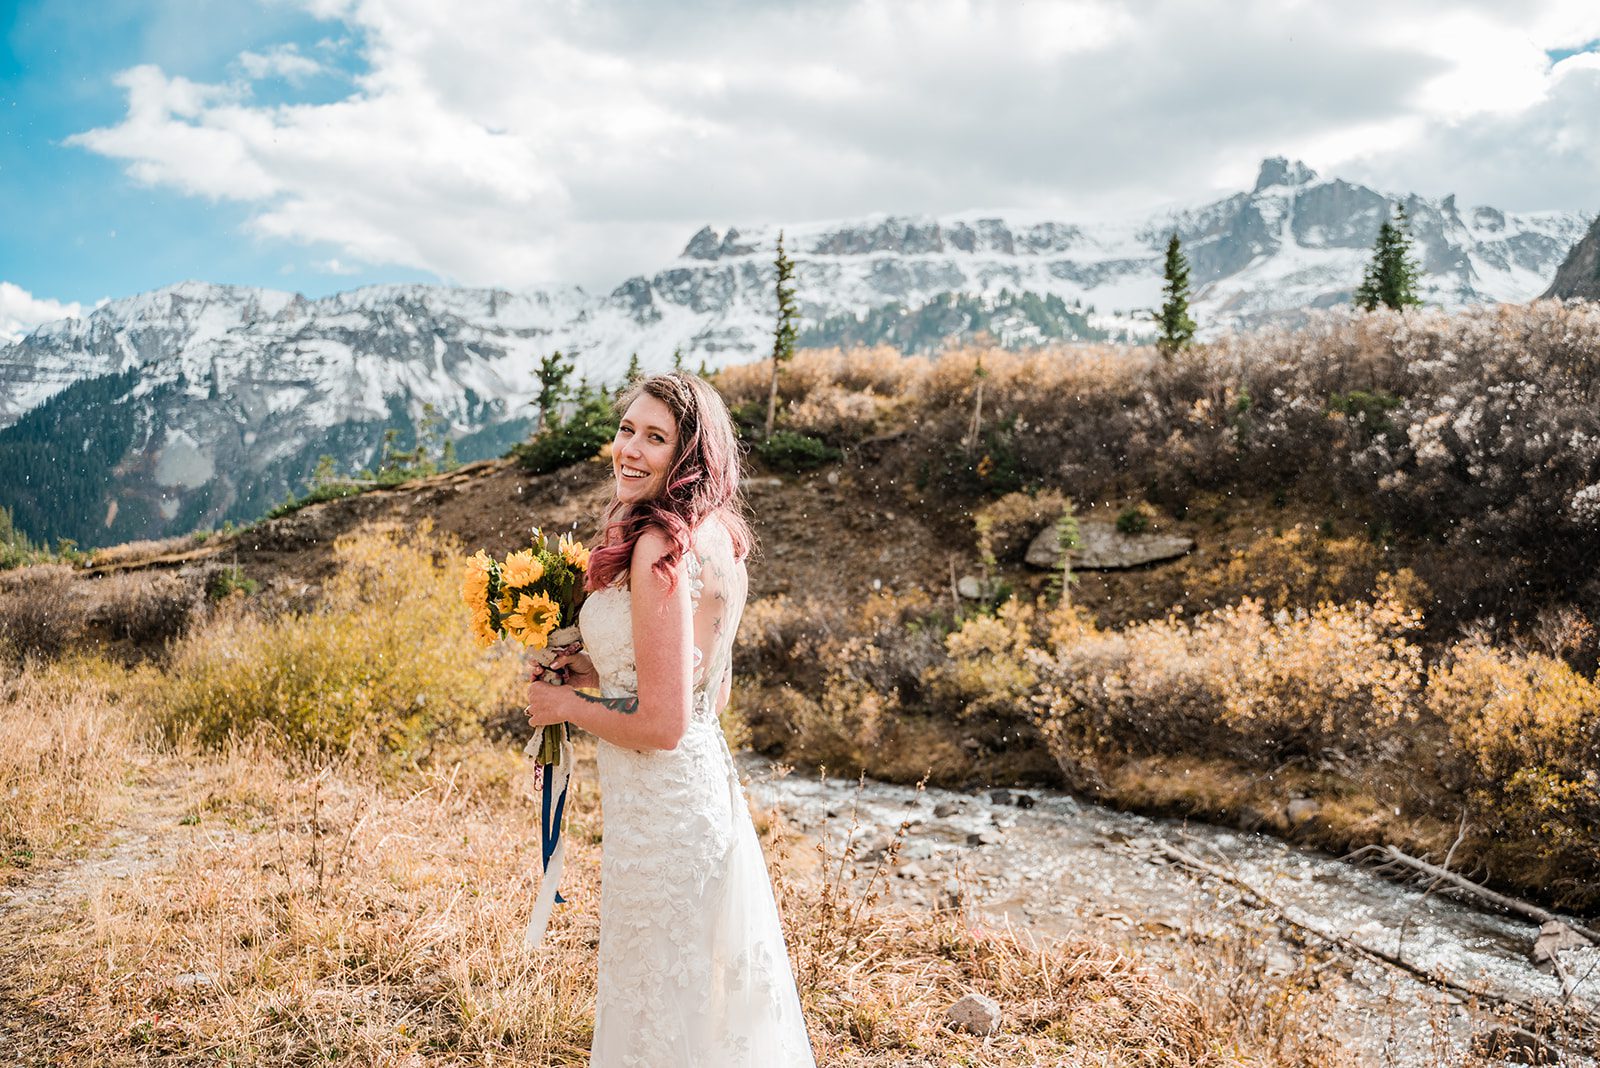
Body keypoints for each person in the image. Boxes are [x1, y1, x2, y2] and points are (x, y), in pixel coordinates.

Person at [524, 371, 816, 1066]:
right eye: (627, 429)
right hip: (703, 801)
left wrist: (565, 704)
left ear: (689, 454)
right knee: (698, 1010)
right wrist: (602, 677)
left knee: (657, 1003)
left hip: (661, 818)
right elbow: (707, 695)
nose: (630, 448)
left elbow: (663, 726)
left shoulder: (660, 546)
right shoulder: (719, 540)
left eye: (655, 437)